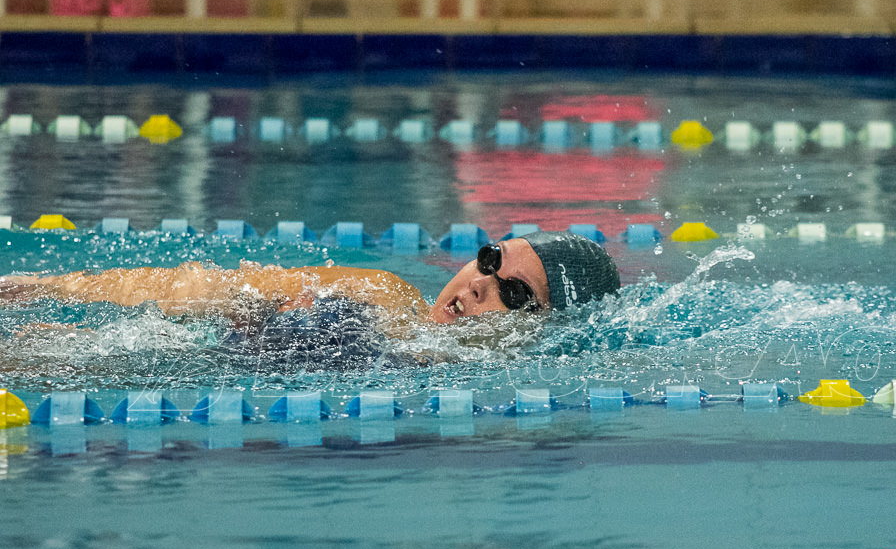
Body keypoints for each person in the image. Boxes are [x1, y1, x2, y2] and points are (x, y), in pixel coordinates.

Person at [1, 230, 620, 328]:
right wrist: (52, 288)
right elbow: (201, 286)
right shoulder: (381, 292)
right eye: (489, 261)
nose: (481, 284)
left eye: (514, 294)